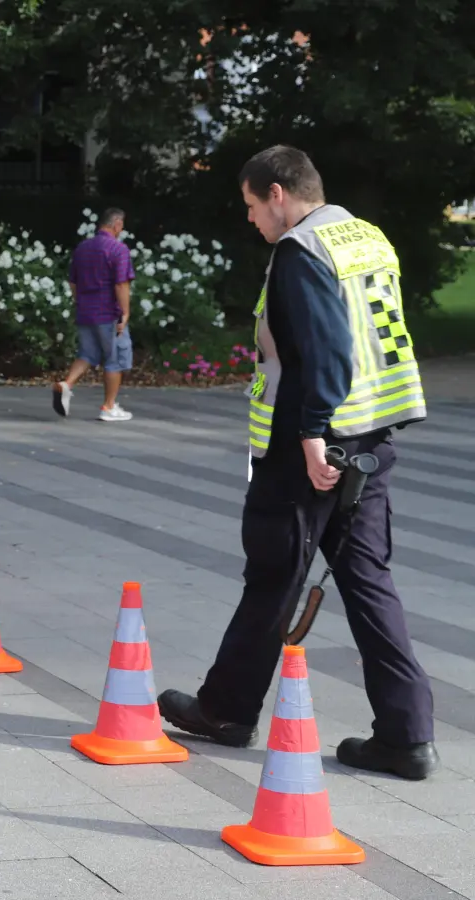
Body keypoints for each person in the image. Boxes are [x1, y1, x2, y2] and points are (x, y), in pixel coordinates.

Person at [158, 146, 437, 780]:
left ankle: (226, 710)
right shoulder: (366, 237)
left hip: (312, 446)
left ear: (279, 194)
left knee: (274, 573)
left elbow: (328, 350)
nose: (252, 220)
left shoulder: (301, 251)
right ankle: (407, 735)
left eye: (253, 206)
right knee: (368, 583)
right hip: (371, 437)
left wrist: (312, 435)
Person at [53, 207, 134, 422]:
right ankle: (108, 407)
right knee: (113, 359)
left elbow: (73, 281)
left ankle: (66, 384)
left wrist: (80, 301)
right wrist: (125, 312)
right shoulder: (118, 249)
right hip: (108, 312)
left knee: (87, 354)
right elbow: (121, 284)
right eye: (121, 226)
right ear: (116, 224)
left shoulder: (83, 248)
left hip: (86, 311)